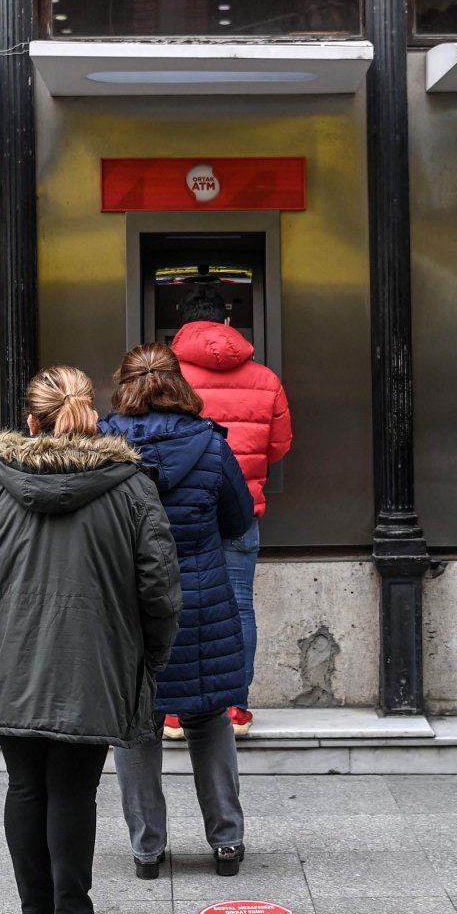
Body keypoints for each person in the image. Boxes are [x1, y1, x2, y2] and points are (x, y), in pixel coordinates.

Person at [0, 366, 181, 914]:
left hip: (10, 658)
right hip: (94, 658)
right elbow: (160, 587)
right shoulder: (130, 486)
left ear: (31, 420)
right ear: (90, 417)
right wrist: (149, 654)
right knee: (73, 789)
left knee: (24, 786)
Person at [101, 343, 256, 879]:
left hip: (129, 603)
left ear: (123, 386)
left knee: (136, 721)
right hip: (199, 599)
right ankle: (227, 843)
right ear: (178, 383)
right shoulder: (211, 446)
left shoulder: (102, 446)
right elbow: (238, 522)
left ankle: (147, 850)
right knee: (208, 713)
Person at [171, 288, 292, 737]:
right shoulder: (266, 378)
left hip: (181, 509)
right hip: (241, 510)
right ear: (226, 323)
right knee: (239, 606)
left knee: (178, 604)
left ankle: (176, 712)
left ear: (183, 326)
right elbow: (279, 446)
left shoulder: (166, 377)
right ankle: (235, 709)